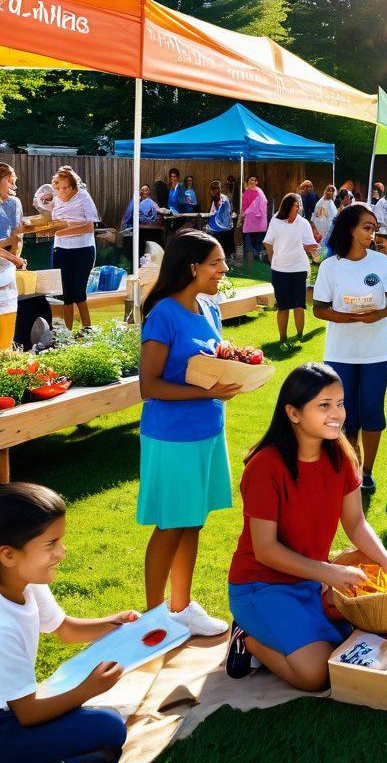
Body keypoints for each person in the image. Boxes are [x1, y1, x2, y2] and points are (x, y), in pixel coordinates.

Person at [225, 364, 387, 689]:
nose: (337, 414)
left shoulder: (341, 456)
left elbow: (356, 523)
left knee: (355, 643)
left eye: (340, 403)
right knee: (318, 674)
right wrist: (331, 574)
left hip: (310, 580)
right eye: (324, 405)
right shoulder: (265, 467)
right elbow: (265, 550)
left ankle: (288, 629)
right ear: (293, 413)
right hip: (260, 586)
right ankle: (247, 640)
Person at [138, 231, 239, 636]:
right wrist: (207, 390)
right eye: (216, 263)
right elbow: (150, 386)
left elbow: (208, 366)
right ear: (192, 267)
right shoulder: (163, 313)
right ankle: (152, 618)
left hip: (208, 431)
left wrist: (232, 374)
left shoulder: (208, 308)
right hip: (172, 437)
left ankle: (181, 608)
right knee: (170, 523)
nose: (224, 269)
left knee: (193, 521)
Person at [0, 482, 136, 762]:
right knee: (108, 729)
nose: (62, 552)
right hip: (8, 724)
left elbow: (64, 628)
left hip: (15, 712)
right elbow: (28, 713)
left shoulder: (25, 580)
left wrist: (114, 623)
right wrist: (87, 690)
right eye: (51, 544)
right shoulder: (2, 625)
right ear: (8, 554)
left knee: (107, 724)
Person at [312, 205, 387, 494]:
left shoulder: (381, 262)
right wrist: (343, 315)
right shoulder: (330, 265)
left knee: (372, 410)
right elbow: (319, 308)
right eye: (367, 227)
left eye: (374, 227)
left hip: (377, 351)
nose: (372, 232)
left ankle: (367, 472)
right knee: (342, 413)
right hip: (340, 352)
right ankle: (351, 466)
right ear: (350, 228)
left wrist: (380, 313)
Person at [49, 166, 100, 331]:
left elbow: (89, 227)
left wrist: (63, 229)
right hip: (61, 250)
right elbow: (46, 215)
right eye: (59, 187)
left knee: (79, 292)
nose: (61, 191)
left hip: (83, 250)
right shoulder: (55, 200)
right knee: (65, 295)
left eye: (65, 188)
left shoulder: (83, 196)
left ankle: (87, 331)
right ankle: (68, 334)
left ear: (73, 187)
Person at [264, 193, 318, 344]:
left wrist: (317, 249)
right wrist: (271, 256)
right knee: (283, 306)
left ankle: (299, 336)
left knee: (299, 304)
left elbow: (310, 244)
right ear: (288, 206)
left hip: (299, 268)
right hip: (279, 268)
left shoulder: (303, 223)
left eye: (299, 205)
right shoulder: (276, 220)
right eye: (296, 205)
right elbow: (268, 241)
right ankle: (282, 338)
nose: (299, 207)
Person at [0, 162, 27, 270]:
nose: (15, 187)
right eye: (11, 182)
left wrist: (15, 261)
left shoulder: (14, 203)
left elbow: (16, 239)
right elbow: (11, 240)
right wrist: (16, 261)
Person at [241, 175, 269, 269]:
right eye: (251, 180)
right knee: (249, 241)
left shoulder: (259, 191)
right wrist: (245, 213)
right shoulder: (245, 192)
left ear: (257, 182)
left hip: (258, 220)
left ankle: (260, 259)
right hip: (249, 220)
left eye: (255, 180)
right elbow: (244, 205)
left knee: (258, 241)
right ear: (248, 181)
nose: (253, 181)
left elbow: (264, 203)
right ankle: (250, 264)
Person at [206, 180, 236, 260]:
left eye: (216, 188)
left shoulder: (223, 199)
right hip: (220, 228)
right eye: (212, 189)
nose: (214, 190)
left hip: (223, 228)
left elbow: (222, 214)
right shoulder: (215, 200)